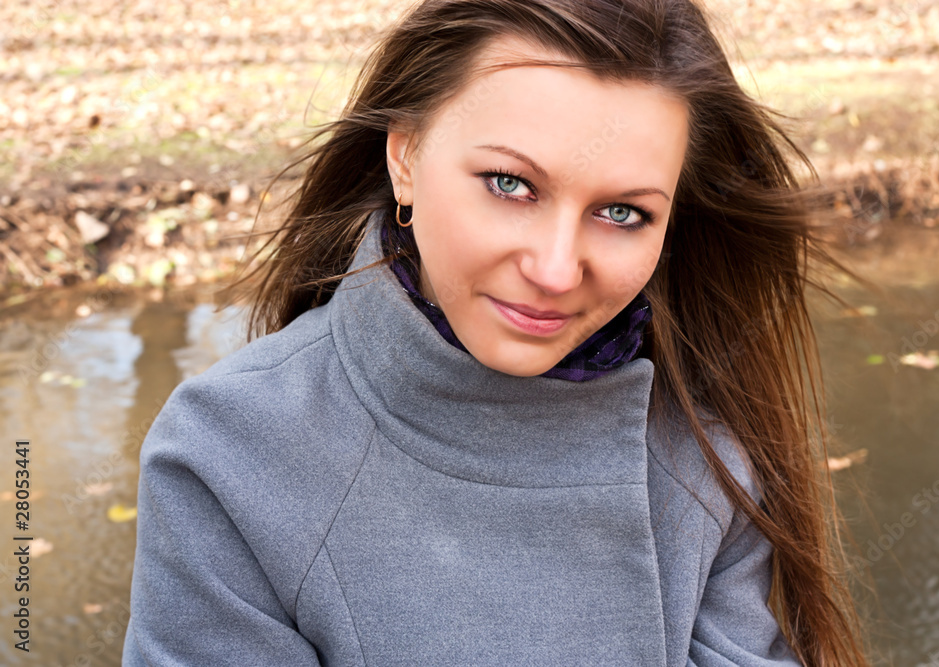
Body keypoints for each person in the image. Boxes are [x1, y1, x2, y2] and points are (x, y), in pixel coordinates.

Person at [123, 0, 872, 664]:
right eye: (510, 184)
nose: (553, 269)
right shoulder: (230, 454)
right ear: (406, 155)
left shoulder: (706, 459)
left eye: (622, 212)